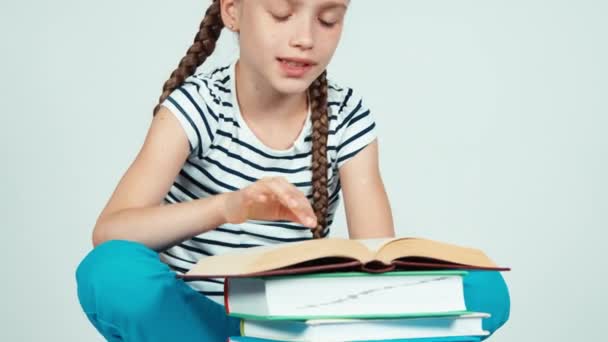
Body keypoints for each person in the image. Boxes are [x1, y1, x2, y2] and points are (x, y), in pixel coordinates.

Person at [75, 1, 510, 341]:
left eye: (328, 20)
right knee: (112, 270)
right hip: (198, 327)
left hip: (299, 330)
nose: (305, 39)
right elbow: (111, 231)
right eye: (282, 14)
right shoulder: (197, 106)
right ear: (233, 10)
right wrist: (231, 207)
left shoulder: (348, 117)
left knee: (483, 293)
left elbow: (379, 258)